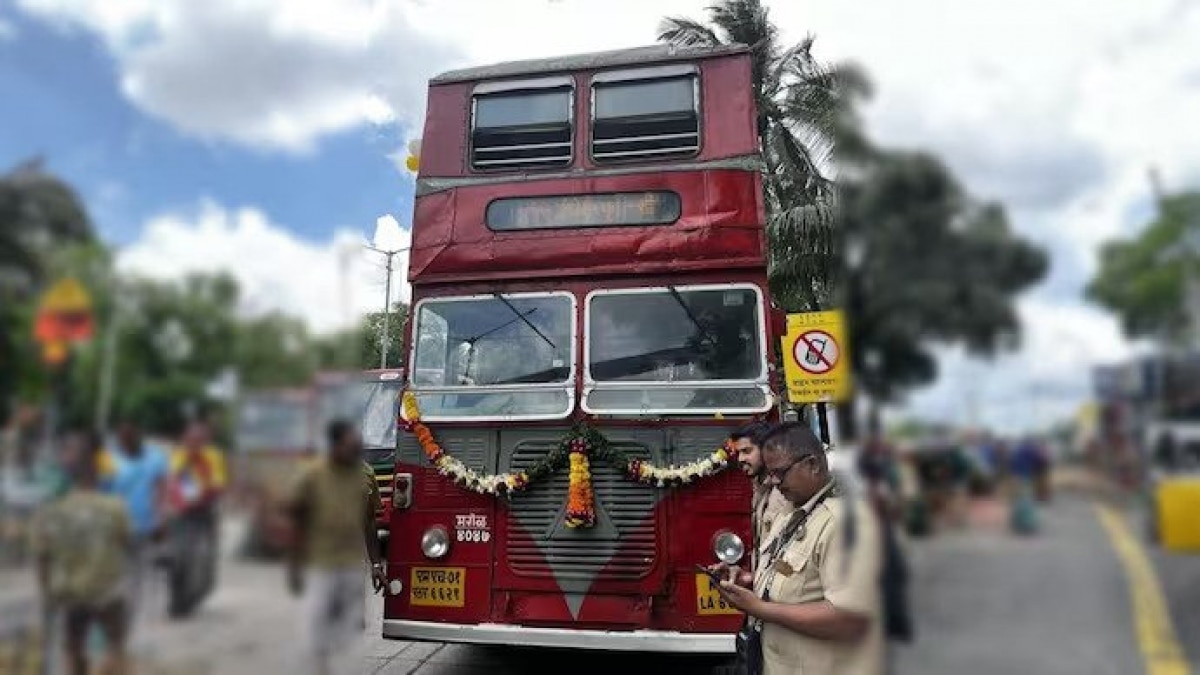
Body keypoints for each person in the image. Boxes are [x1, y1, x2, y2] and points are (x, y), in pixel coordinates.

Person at [715, 422, 884, 675]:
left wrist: (760, 608)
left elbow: (850, 618)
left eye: (780, 473)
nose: (774, 482)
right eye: (770, 473)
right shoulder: (794, 510)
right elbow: (796, 580)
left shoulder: (846, 523)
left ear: (813, 465)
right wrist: (748, 581)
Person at [285, 420, 387, 675]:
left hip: (352, 564)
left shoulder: (366, 473)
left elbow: (370, 522)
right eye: (349, 444)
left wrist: (376, 565)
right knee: (318, 623)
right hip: (319, 563)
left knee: (353, 626)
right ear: (335, 446)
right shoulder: (312, 474)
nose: (356, 448)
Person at [32, 430, 132, 675]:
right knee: (115, 645)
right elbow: (124, 546)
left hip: (70, 593)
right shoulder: (115, 508)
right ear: (95, 467)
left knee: (73, 647)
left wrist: (47, 595)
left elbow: (42, 558)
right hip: (107, 594)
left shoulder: (50, 511)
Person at [98, 418, 170, 635]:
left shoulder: (156, 457)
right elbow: (101, 491)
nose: (126, 440)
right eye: (122, 436)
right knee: (110, 579)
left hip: (143, 527)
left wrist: (162, 520)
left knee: (134, 579)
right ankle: (111, 624)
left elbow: (161, 491)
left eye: (131, 435)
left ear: (139, 433)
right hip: (112, 528)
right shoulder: (107, 458)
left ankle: (124, 627)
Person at [165, 420, 227, 617]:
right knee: (180, 559)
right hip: (183, 515)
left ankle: (190, 599)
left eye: (200, 439)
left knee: (205, 565)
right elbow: (181, 486)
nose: (196, 442)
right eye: (192, 438)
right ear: (184, 439)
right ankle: (177, 601)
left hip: (205, 514)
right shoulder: (178, 456)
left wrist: (204, 492)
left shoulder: (213, 456)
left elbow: (217, 485)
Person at [730, 421, 789, 560]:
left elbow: (783, 556)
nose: (740, 459)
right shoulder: (760, 491)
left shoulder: (783, 494)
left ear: (766, 450)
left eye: (746, 451)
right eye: (738, 453)